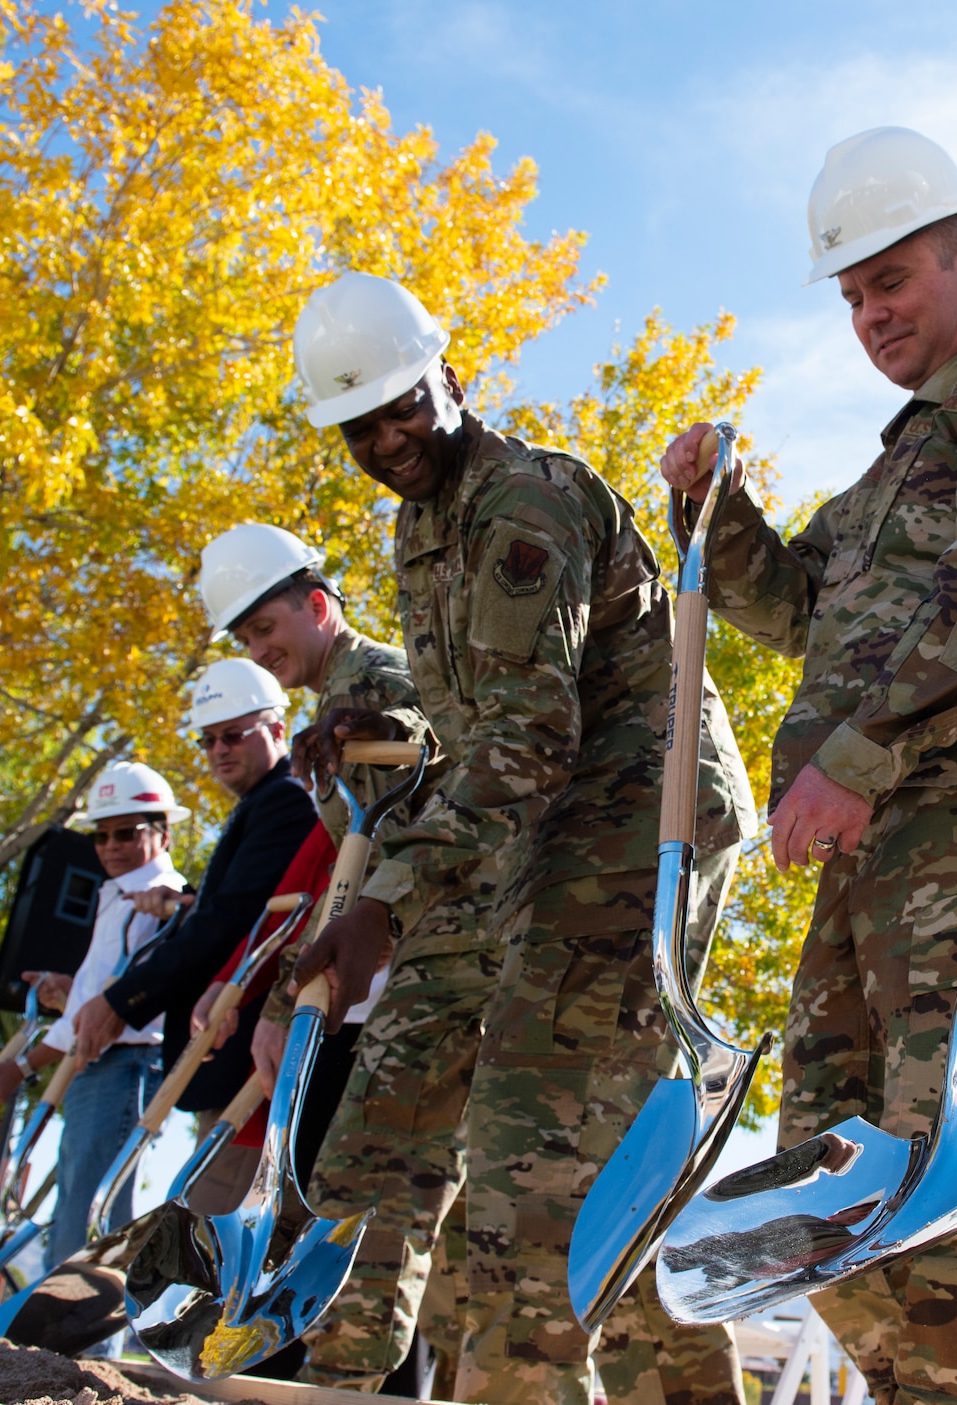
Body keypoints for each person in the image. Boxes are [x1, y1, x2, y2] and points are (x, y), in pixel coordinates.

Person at [656, 126, 957, 1405]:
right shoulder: (886, 475)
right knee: (833, 1205)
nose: (873, 312)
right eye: (855, 293)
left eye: (897, 280)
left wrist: (858, 760)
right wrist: (717, 515)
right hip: (865, 869)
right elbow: (797, 606)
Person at [285, 271, 758, 1405]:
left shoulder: (520, 504)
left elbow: (528, 742)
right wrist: (387, 729)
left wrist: (382, 905)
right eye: (360, 424)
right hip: (521, 837)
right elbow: (476, 726)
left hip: (633, 829)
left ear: (451, 378)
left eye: (404, 406)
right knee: (425, 1096)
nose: (388, 437)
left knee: (529, 1166)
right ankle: (340, 1370)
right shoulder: (421, 528)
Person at [201, 519, 486, 1395]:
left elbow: (428, 745)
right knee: (379, 1204)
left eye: (266, 629)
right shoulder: (328, 720)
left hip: (443, 970)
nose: (260, 649)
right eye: (245, 637)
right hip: (377, 992)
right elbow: (333, 874)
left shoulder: (377, 680)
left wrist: (374, 726)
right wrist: (283, 1005)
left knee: (376, 1198)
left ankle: (353, 1379)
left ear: (319, 606)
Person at [69, 657, 321, 1214]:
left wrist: (121, 1001)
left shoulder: (283, 801)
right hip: (229, 1060)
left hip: (249, 1053)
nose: (218, 751)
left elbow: (234, 920)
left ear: (278, 730)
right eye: (207, 741)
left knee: (205, 1238)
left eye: (233, 735)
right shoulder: (259, 806)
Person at [0, 761, 187, 1265]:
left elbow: (111, 1014)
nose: (110, 846)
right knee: (77, 1209)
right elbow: (98, 1002)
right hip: (99, 1071)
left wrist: (21, 1067)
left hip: (124, 1069)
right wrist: (69, 991)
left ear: (163, 833)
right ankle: (60, 1331)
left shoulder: (161, 901)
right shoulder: (117, 897)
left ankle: (76, 1339)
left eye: (126, 833)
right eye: (101, 835)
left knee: (91, 1219)